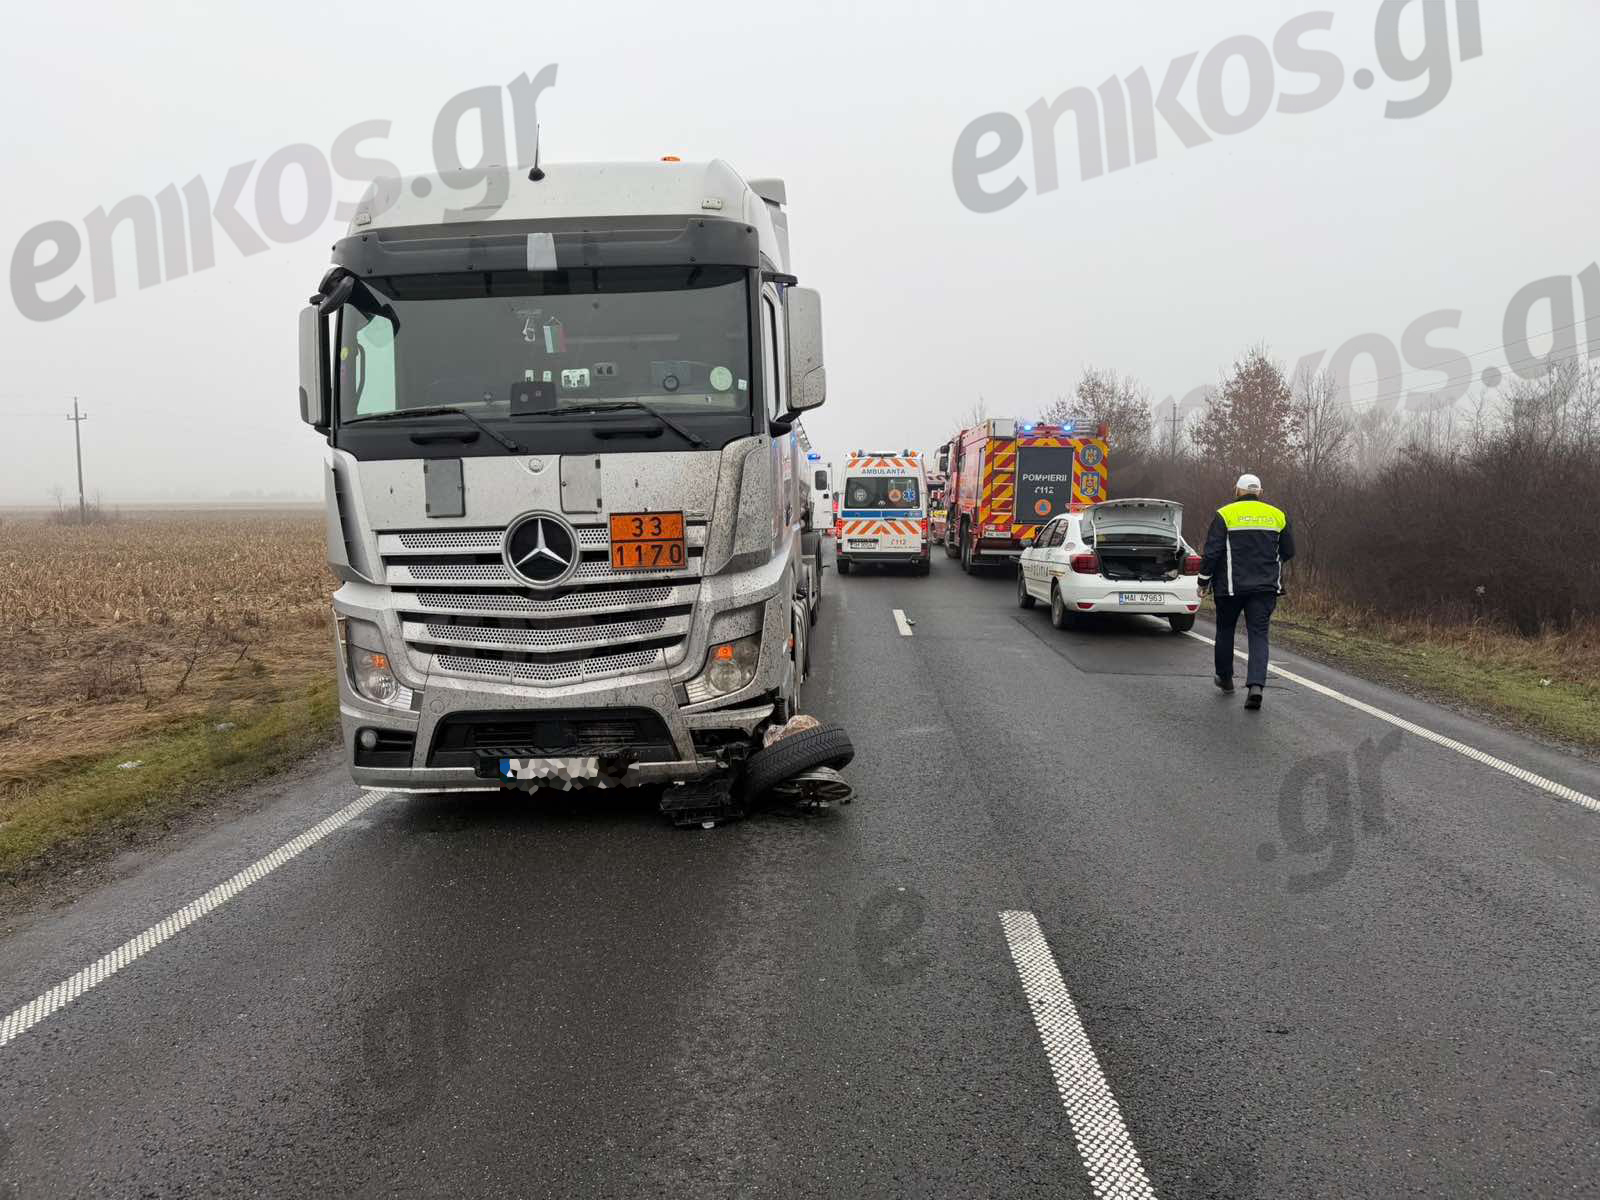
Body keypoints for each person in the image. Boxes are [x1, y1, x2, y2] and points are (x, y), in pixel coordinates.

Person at [1197, 473, 1295, 710]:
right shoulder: (1277, 515)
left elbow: (1212, 552)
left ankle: (1225, 678)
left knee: (1225, 630)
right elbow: (1289, 551)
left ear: (1237, 491)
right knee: (1258, 635)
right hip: (1264, 588)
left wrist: (1203, 581)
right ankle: (1256, 686)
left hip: (1230, 587)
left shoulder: (1225, 514)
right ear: (1260, 492)